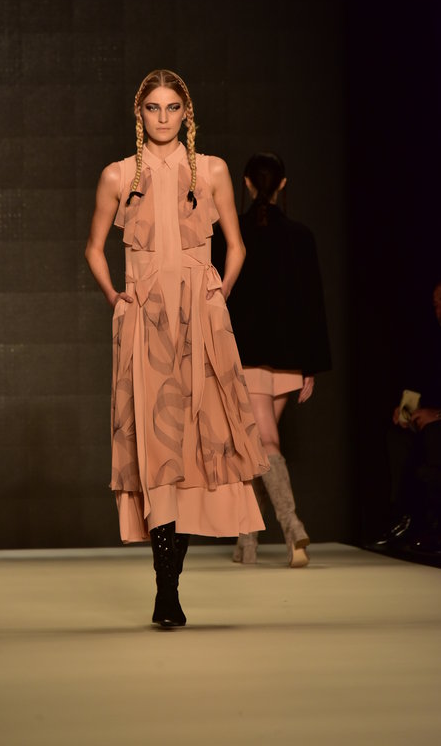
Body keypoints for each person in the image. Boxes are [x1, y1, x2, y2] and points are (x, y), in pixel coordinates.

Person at [84, 69, 269, 628]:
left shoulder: (210, 170)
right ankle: (166, 589)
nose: (162, 117)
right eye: (153, 108)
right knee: (156, 447)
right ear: (139, 114)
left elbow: (236, 246)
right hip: (145, 324)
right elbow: (93, 248)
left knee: (193, 447)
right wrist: (116, 296)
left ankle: (170, 586)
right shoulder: (118, 175)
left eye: (172, 108)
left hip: (202, 322)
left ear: (186, 114)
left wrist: (218, 294)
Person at [211, 152, 332, 568]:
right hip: (288, 358)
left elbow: (217, 300)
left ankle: (291, 527)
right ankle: (247, 539)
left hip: (247, 356)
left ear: (246, 184)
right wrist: (310, 366)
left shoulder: (227, 236)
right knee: (257, 445)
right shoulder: (301, 236)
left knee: (261, 444)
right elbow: (313, 306)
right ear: (282, 184)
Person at [365, 276, 441, 566]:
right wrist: (407, 410)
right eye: (435, 304)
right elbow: (421, 385)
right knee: (398, 436)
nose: (439, 310)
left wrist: (439, 415)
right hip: (432, 420)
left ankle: (438, 527)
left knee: (436, 435)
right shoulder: (434, 344)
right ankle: (404, 517)